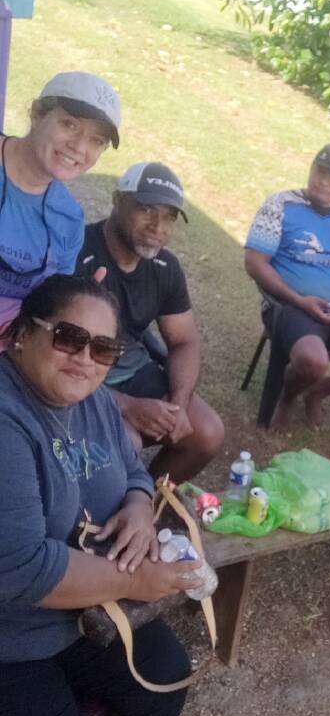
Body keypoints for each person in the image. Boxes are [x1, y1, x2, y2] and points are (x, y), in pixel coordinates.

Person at [0, 274, 201, 716]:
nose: (86, 359)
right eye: (69, 338)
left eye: (104, 348)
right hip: (11, 633)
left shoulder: (94, 400)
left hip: (86, 612)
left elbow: (133, 471)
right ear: (22, 334)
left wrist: (139, 507)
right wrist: (137, 582)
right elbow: (23, 570)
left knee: (163, 677)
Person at [76, 162, 224, 484]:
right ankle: (106, 507)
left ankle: (146, 498)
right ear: (118, 200)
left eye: (169, 217)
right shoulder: (77, 253)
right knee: (125, 442)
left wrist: (178, 404)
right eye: (146, 210)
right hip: (80, 375)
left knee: (207, 432)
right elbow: (56, 357)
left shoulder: (165, 267)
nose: (158, 226)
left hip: (132, 368)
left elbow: (184, 341)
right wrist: (127, 406)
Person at [244, 144, 330, 427]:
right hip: (291, 307)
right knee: (313, 361)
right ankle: (287, 398)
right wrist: (298, 299)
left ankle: (318, 392)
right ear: (311, 169)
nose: (324, 181)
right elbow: (255, 263)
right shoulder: (280, 205)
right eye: (320, 172)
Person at [0, 71, 121, 335]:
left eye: (97, 140)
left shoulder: (69, 220)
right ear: (36, 114)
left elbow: (46, 308)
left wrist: (73, 304)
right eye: (70, 125)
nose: (79, 147)